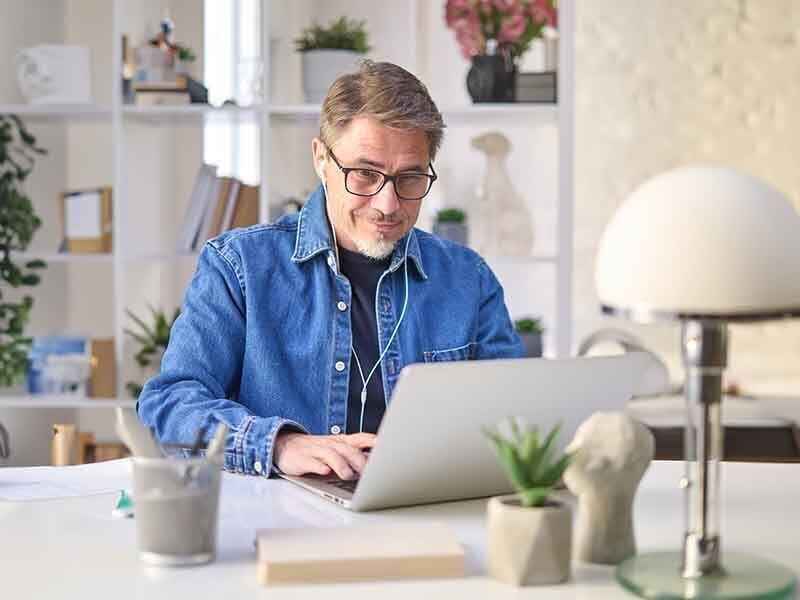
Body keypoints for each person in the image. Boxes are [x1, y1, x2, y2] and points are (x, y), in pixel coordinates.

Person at [137, 60, 523, 480]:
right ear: (322, 159)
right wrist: (279, 445)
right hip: (284, 519)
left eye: (410, 178)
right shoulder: (240, 266)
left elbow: (514, 416)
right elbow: (171, 401)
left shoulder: (468, 279)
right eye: (364, 173)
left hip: (425, 514)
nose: (387, 205)